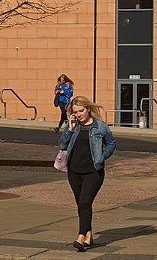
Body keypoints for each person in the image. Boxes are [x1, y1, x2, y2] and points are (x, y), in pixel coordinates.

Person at [58, 96, 115, 251]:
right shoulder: (72, 125)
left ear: (88, 109)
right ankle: (89, 235)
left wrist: (103, 156)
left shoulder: (100, 126)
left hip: (93, 172)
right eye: (75, 112)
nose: (79, 114)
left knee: (84, 201)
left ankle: (81, 236)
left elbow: (111, 143)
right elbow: (62, 144)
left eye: (81, 111)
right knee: (82, 204)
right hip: (74, 171)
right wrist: (69, 128)